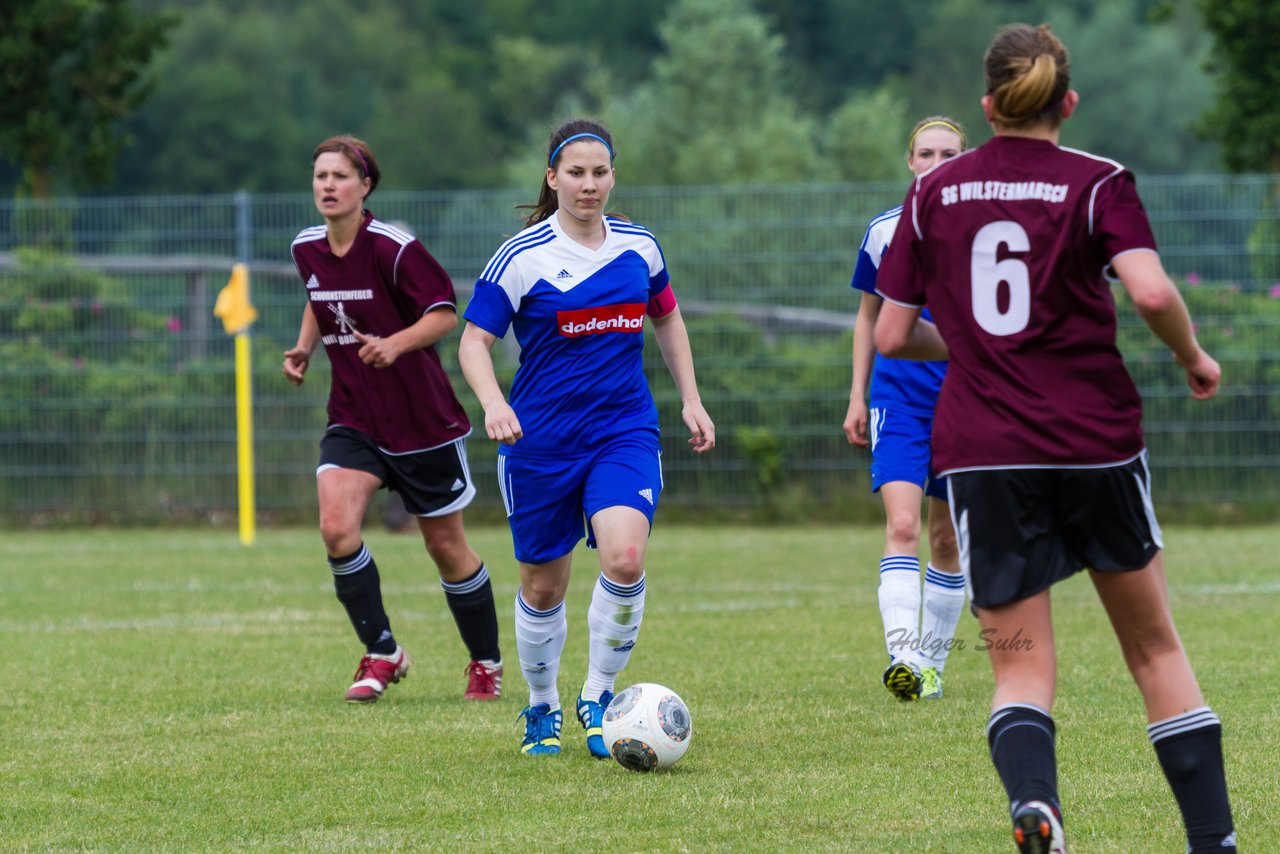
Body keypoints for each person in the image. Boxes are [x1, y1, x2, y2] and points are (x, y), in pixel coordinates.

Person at [873, 23, 1235, 853]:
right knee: (1154, 652)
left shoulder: (930, 195)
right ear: (1066, 102)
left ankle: (1038, 808)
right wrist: (1192, 353)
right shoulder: (1099, 181)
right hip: (1093, 441)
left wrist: (972, 343)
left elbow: (893, 337)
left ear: (988, 105)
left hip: (984, 452)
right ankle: (1214, 842)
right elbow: (1147, 291)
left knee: (1020, 666)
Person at [457, 118, 715, 757]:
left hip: (623, 430)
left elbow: (669, 318)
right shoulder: (521, 257)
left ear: (612, 176)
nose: (589, 184)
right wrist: (493, 403)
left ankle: (599, 696)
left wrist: (691, 399)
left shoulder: (639, 247)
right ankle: (541, 706)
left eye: (600, 172)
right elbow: (472, 342)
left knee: (625, 558)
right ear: (552, 178)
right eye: (575, 172)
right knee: (543, 586)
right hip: (540, 442)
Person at [283, 135, 504, 705]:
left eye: (340, 176)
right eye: (320, 176)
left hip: (422, 422)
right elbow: (319, 295)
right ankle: (383, 653)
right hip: (355, 419)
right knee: (336, 527)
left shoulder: (393, 247)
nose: (328, 186)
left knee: (445, 548)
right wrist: (305, 347)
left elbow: (444, 314)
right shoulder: (306, 247)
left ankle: (486, 663)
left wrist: (395, 345)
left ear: (366, 186)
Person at [843, 116, 969, 703]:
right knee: (901, 524)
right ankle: (904, 656)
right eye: (926, 152)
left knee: (945, 538)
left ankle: (933, 665)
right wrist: (857, 395)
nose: (937, 161)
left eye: (949, 152)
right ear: (910, 160)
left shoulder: (987, 229)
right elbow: (870, 319)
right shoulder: (884, 232)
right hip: (899, 396)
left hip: (967, 398)